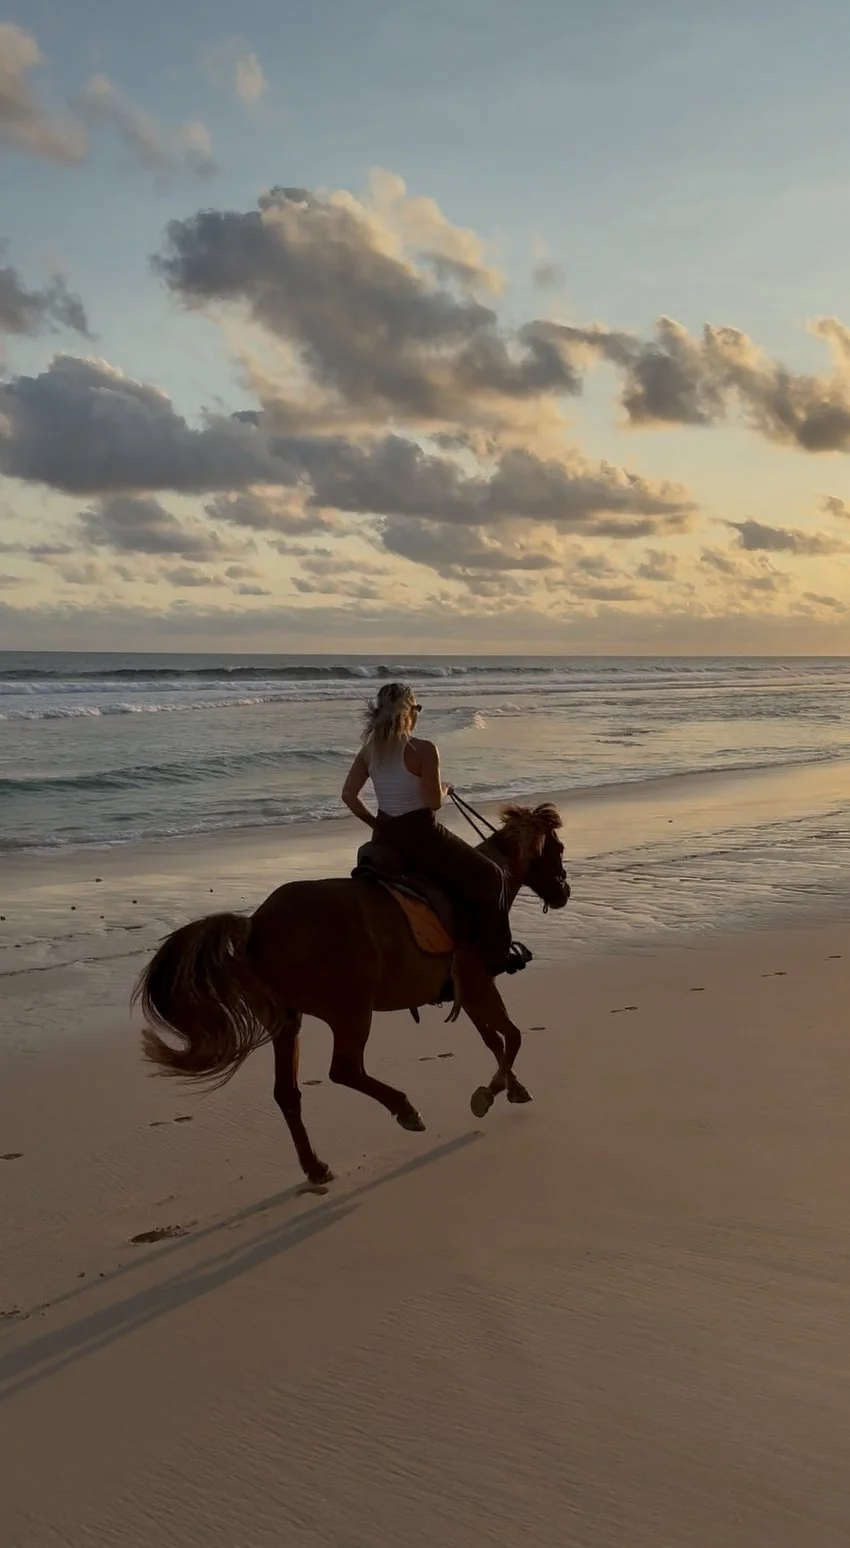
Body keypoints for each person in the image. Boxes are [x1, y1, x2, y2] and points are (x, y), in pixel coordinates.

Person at [341, 682, 511, 973]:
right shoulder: (423, 749)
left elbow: (348, 795)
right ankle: (494, 955)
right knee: (492, 875)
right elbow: (433, 803)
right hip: (422, 836)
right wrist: (445, 789)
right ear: (411, 712)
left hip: (384, 838)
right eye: (417, 709)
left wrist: (378, 824)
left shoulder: (368, 752)